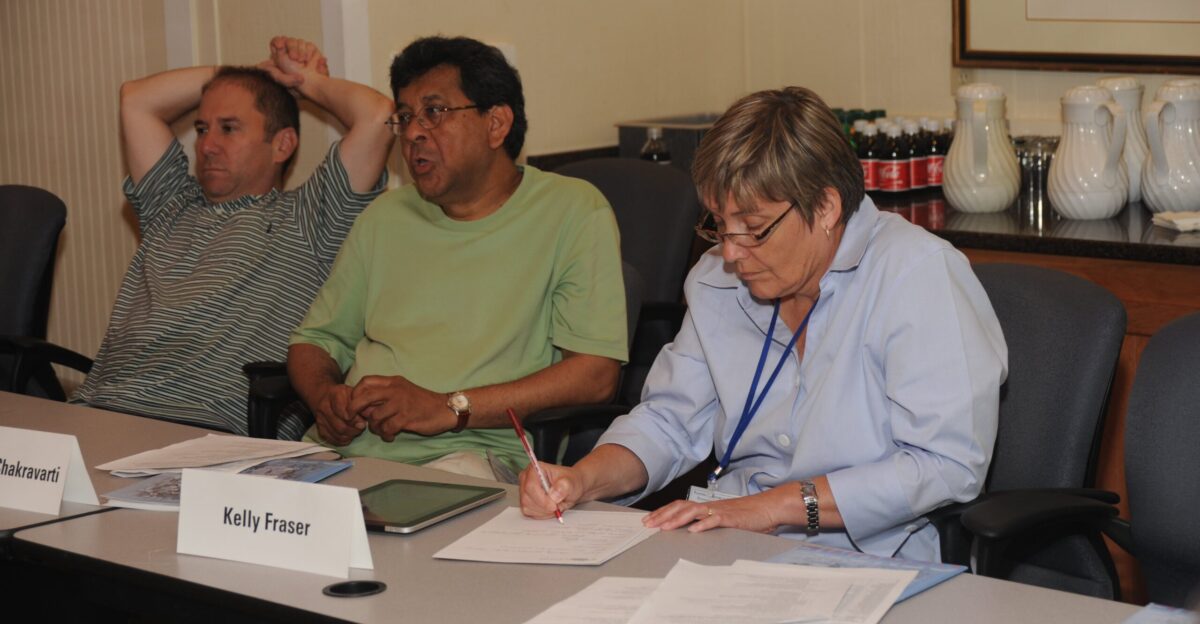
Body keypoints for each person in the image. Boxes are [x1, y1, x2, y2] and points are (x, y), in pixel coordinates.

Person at [520, 86, 1008, 562]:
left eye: (753, 229)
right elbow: (668, 421)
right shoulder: (717, 281)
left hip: (874, 556)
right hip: (731, 543)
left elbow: (946, 465)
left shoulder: (915, 275)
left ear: (825, 207)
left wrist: (773, 508)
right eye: (718, 223)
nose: (730, 251)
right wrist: (581, 479)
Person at [287, 36, 627, 480]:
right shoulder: (386, 216)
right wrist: (325, 397)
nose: (412, 133)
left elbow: (595, 375)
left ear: (496, 124)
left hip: (472, 458)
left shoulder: (573, 211)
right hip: (340, 456)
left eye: (435, 112)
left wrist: (449, 407)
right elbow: (314, 340)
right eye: (405, 116)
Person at [72, 37, 394, 438]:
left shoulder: (310, 218)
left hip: (207, 430)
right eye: (203, 129)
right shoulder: (170, 205)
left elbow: (378, 115)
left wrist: (301, 79)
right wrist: (249, 75)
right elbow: (136, 99)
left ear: (282, 144)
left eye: (229, 129)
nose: (206, 145)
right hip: (100, 411)